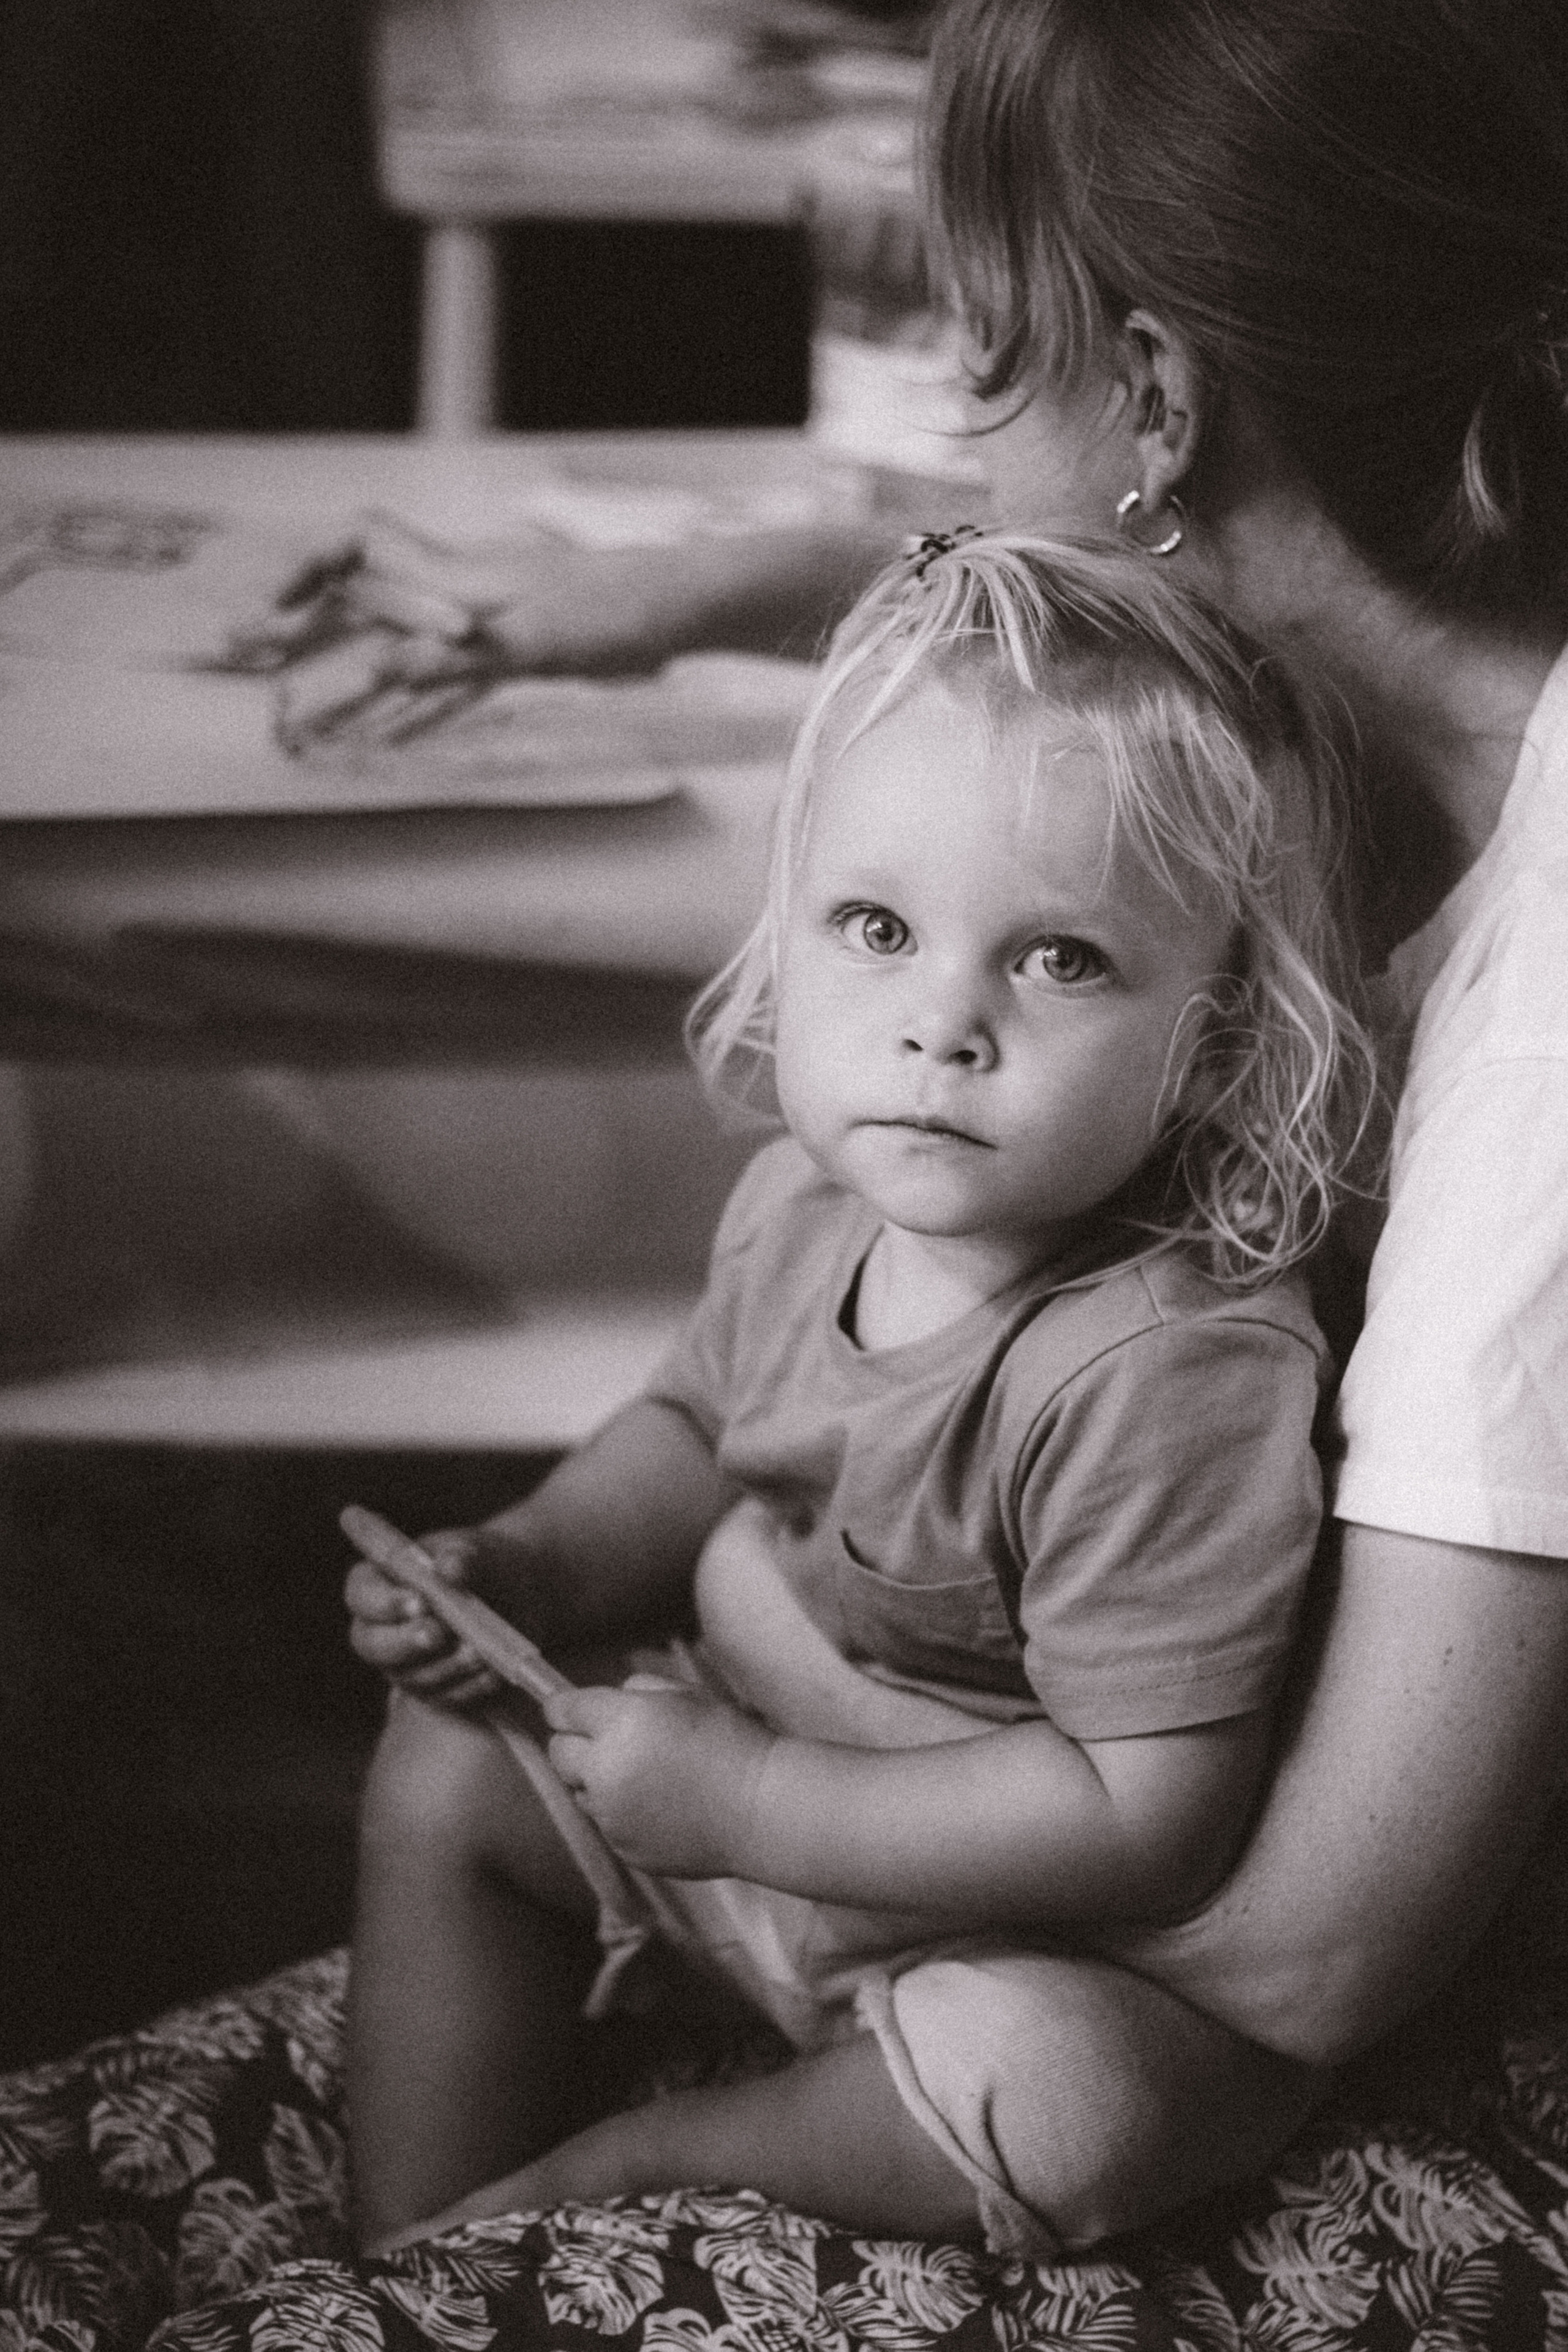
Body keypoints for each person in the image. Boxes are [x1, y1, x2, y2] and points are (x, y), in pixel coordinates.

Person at [344, 0, 1568, 2263]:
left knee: (1052, 2081)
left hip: (1186, 1955)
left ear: (1165, 407)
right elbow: (1086, 599)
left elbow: (1304, 1949)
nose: (944, 1021)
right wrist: (678, 587)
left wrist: (749, 1677)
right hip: (913, 1800)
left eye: (991, 367)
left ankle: (533, 2222)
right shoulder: (1429, 623)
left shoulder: (1535, 1068)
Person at [344, 530, 1377, 2258]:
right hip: (765, 1816)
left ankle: (633, 2177)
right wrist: (523, 1567)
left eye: (1060, 960)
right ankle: (401, 2250)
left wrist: (751, 1804)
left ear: (1211, 1045)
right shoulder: (808, 1204)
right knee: (452, 1764)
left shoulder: (1166, 1361)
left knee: (1081, 2093)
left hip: (1036, 1928)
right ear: (792, 933)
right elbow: (693, 1432)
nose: (941, 1026)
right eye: (878, 929)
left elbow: (1151, 1812)